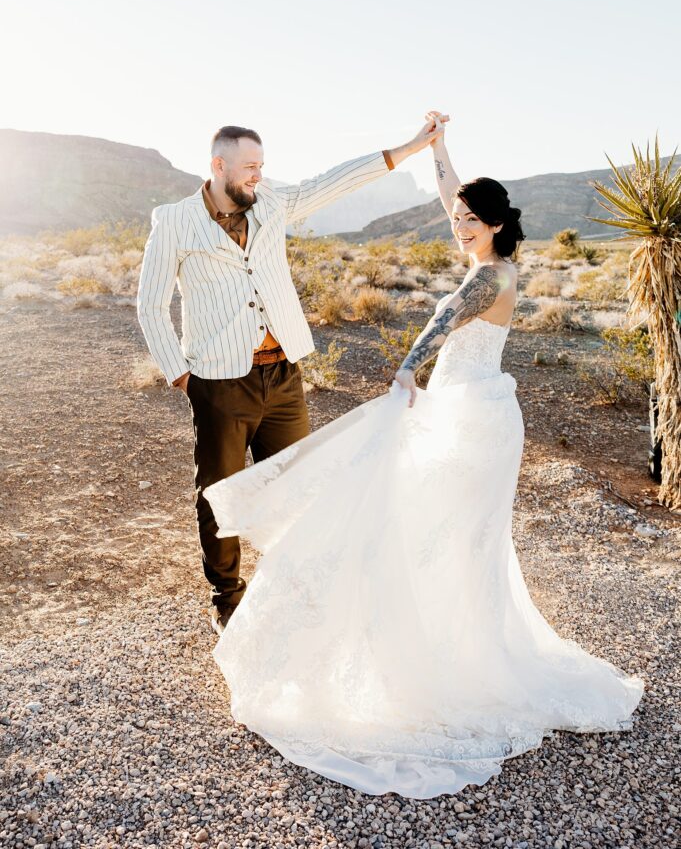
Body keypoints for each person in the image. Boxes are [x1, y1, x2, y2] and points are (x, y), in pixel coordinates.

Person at [202, 113, 645, 799]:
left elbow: (440, 323)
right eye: (459, 216)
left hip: (469, 419)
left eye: (471, 218)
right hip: (475, 407)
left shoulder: (488, 279)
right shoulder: (489, 258)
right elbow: (448, 199)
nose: (459, 224)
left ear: (495, 225)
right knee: (447, 536)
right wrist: (439, 149)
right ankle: (443, 640)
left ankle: (444, 659)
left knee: (439, 531)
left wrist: (405, 371)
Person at [136, 118, 445, 635]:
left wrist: (411, 147)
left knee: (297, 488)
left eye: (262, 165)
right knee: (221, 494)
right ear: (219, 166)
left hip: (283, 376)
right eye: (250, 167)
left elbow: (336, 180)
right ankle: (228, 599)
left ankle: (293, 589)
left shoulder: (272, 200)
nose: (259, 175)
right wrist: (183, 378)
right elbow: (149, 306)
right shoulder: (173, 221)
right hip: (219, 383)